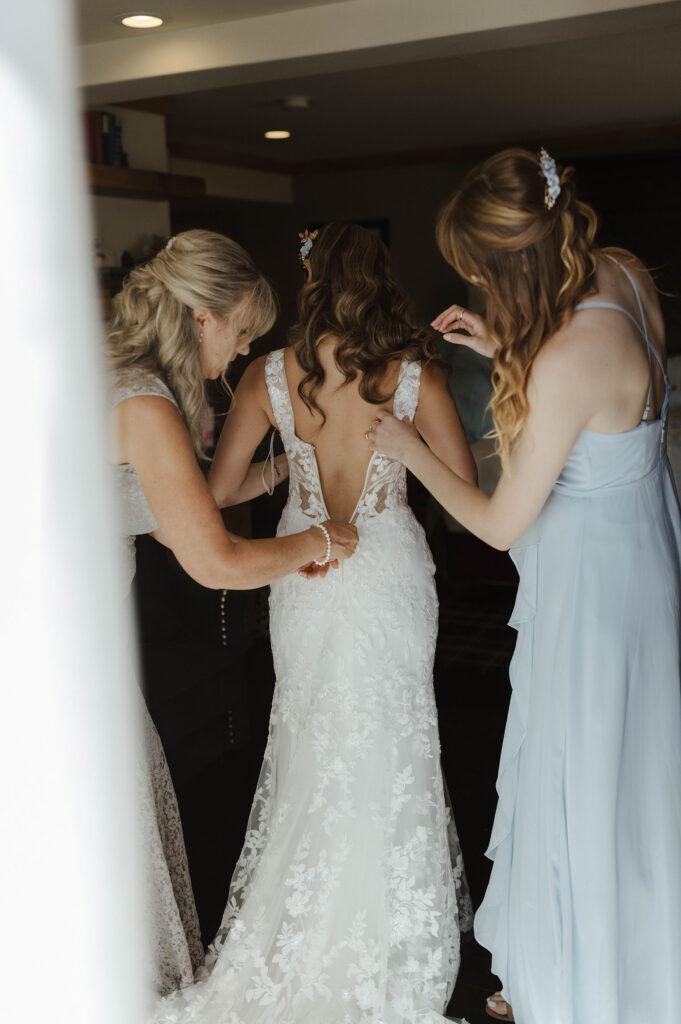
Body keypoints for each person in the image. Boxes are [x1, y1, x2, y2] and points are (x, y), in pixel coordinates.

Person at [368, 148, 681, 1024]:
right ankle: (631, 958)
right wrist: (507, 343)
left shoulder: (566, 358)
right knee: (632, 778)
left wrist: (411, 453)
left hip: (592, 598)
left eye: (479, 269)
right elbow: (603, 396)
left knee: (584, 772)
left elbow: (502, 524)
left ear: (510, 260)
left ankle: (589, 984)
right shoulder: (619, 278)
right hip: (640, 568)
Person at [150, 222, 477, 1023]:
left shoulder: (267, 375)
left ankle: (301, 935)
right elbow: (463, 502)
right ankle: (389, 938)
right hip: (388, 576)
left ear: (310, 283)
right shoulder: (416, 378)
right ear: (383, 282)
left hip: (305, 570)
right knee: (394, 740)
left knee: (308, 745)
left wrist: (291, 465)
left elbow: (220, 495)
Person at [109, 229, 358, 995]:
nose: (239, 353)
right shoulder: (145, 405)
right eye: (240, 332)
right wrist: (322, 537)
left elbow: (178, 506)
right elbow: (216, 558)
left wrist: (291, 466)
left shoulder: (104, 371)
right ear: (198, 318)